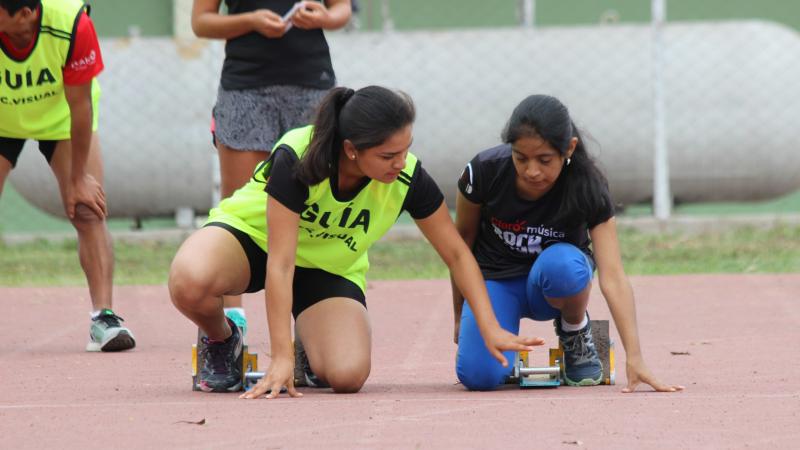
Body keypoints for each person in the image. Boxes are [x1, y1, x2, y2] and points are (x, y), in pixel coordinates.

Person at [169, 85, 541, 395]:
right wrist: (277, 357)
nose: (401, 161)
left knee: (347, 375)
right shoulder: (298, 156)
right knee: (190, 280)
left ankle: (310, 349)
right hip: (253, 242)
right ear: (351, 150)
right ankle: (221, 339)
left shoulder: (408, 177)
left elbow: (458, 255)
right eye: (388, 155)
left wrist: (488, 324)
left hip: (328, 267)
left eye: (406, 149)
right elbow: (280, 263)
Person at [451, 94, 684, 392]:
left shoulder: (588, 185)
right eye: (520, 158)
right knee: (478, 377)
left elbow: (612, 276)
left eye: (544, 160)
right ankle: (504, 358)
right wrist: (461, 314)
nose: (532, 171)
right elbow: (460, 249)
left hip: (555, 284)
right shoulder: (483, 172)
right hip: (495, 282)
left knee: (564, 265)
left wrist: (635, 356)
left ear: (569, 148)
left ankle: (575, 332)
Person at [191, 0, 352, 334]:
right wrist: (251, 21)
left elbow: (341, 11)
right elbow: (201, 22)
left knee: (314, 198)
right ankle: (232, 321)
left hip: (313, 84)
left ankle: (308, 315)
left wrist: (324, 17)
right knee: (237, 204)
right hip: (245, 86)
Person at [0, 0, 135, 351]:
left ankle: (103, 320)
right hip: (2, 120)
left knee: (89, 207)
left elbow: (80, 104)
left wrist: (78, 179)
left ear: (25, 14)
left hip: (62, 120)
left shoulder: (72, 23)